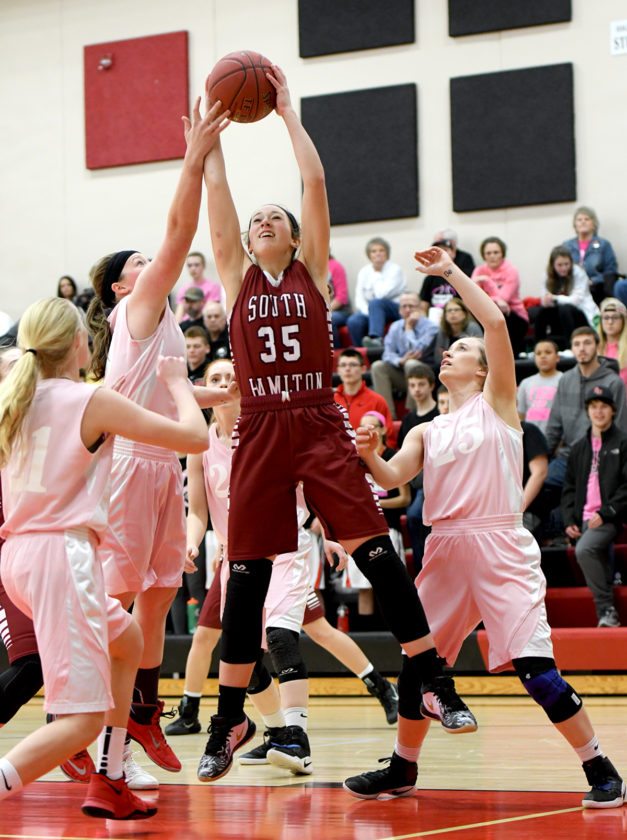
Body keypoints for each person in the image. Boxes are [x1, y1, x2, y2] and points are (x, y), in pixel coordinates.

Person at [199, 65, 475, 782]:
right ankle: (229, 718)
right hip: (261, 427)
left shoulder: (311, 272)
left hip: (319, 421)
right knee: (246, 576)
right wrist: (209, 142)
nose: (264, 221)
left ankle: (434, 678)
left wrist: (287, 113)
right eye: (257, 220)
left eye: (275, 218)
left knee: (376, 553)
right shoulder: (234, 277)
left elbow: (314, 184)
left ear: (295, 239)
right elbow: (217, 200)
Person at [346, 246, 625, 807]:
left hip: (499, 543)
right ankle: (402, 768)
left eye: (461, 349)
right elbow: (393, 476)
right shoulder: (425, 429)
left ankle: (601, 769)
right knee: (418, 664)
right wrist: (370, 453)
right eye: (449, 349)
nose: (450, 352)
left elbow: (494, 322)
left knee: (536, 671)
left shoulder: (498, 403)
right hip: (445, 549)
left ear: (482, 368)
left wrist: (449, 272)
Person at [0, 297, 209, 818]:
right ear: (80, 343)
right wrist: (179, 384)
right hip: (60, 554)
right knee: (82, 721)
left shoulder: (16, 395)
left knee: (129, 640)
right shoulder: (88, 400)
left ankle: (111, 778)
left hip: (22, 555)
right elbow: (194, 437)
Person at [85, 95, 233, 776]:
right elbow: (179, 232)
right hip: (127, 466)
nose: (154, 265)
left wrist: (206, 394)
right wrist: (194, 157)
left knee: (161, 591)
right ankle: (87, 725)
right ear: (122, 288)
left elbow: (160, 386)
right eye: (139, 263)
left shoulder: (162, 328)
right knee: (117, 601)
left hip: (161, 465)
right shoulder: (139, 309)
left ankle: (140, 715)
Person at [165, 361, 399, 768]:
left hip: (284, 545)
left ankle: (298, 736)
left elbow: (308, 484)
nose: (224, 384)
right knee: (244, 656)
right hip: (236, 556)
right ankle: (275, 732)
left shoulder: (265, 430)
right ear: (204, 389)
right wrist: (190, 544)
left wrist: (329, 531)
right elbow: (198, 511)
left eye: (231, 377)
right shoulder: (200, 444)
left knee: (283, 636)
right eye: (215, 379)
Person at [562, 386, 627, 628]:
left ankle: (606, 609)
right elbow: (569, 487)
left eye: (604, 407)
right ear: (587, 411)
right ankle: (611, 590)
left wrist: (606, 512)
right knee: (593, 552)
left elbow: (626, 487)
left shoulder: (623, 442)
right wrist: (569, 520)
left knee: (584, 550)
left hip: (610, 517)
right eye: (593, 407)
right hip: (584, 518)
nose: (598, 411)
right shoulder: (579, 447)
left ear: (613, 411)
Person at [370, 291, 439, 418]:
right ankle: (387, 416)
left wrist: (409, 329)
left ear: (420, 307)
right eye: (404, 306)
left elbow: (416, 351)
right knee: (378, 366)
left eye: (411, 306)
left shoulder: (431, 327)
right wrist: (400, 360)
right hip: (402, 372)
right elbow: (387, 353)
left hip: (425, 375)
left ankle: (411, 414)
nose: (407, 310)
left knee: (411, 364)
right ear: (399, 310)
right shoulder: (395, 326)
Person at [472, 237, 529, 357]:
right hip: (488, 314)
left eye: (496, 252)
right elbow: (472, 295)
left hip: (514, 315)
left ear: (502, 254)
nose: (492, 256)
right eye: (488, 253)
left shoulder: (511, 271)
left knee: (501, 311)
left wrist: (487, 281)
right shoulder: (479, 270)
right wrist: (493, 300)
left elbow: (503, 298)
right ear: (483, 255)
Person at [347, 237, 406, 347]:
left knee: (376, 303)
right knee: (353, 321)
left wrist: (377, 272)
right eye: (373, 251)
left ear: (387, 253)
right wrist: (369, 311)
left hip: (394, 308)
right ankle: (361, 352)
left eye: (381, 250)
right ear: (369, 255)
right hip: (371, 310)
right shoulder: (364, 271)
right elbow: (359, 297)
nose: (378, 254)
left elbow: (381, 294)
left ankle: (376, 339)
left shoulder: (395, 269)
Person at [534, 246, 597, 348]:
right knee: (542, 312)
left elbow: (575, 300)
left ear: (571, 263)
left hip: (580, 312)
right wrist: (545, 301)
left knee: (565, 309)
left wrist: (555, 298)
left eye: (566, 264)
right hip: (559, 313)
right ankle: (539, 347)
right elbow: (545, 298)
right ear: (553, 265)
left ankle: (570, 346)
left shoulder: (578, 273)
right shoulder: (547, 275)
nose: (563, 268)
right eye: (559, 265)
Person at [333, 348, 393, 440]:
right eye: (343, 365)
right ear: (338, 370)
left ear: (363, 369)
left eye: (353, 365)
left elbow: (389, 437)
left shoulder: (377, 400)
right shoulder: (331, 401)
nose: (347, 369)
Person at [563, 206, 618, 304]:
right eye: (579, 220)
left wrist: (593, 281)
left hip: (595, 289)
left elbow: (610, 272)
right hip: (572, 289)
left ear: (594, 224)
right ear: (575, 225)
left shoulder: (604, 245)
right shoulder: (567, 246)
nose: (583, 222)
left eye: (587, 219)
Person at [419, 230, 475, 318]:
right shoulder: (429, 278)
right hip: (436, 317)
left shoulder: (460, 275)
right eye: (436, 252)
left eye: (445, 250)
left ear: (454, 253)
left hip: (458, 315)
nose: (441, 254)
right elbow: (423, 304)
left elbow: (470, 300)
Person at [517, 340, 562, 436]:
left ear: (557, 357)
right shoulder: (526, 383)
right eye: (538, 353)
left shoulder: (564, 380)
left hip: (556, 436)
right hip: (531, 437)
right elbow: (520, 414)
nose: (543, 356)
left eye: (548, 352)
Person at [433, 297, 483, 370]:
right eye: (449, 310)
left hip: (468, 366)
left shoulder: (473, 328)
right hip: (446, 365)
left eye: (456, 310)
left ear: (464, 313)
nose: (452, 313)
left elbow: (480, 353)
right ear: (445, 315)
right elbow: (437, 357)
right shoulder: (442, 330)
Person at [174, 251, 221, 322]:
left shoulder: (213, 287)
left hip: (204, 323)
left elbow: (209, 311)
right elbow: (179, 315)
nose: (193, 268)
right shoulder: (183, 290)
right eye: (190, 265)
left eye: (196, 265)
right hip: (185, 324)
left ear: (203, 266)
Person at [598, 298, 627, 387]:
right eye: (606, 318)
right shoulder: (595, 348)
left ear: (623, 320)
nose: (610, 322)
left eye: (615, 317)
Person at [328, 253, 352, 348]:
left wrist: (323, 312)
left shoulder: (335, 266)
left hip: (340, 311)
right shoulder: (308, 268)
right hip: (319, 312)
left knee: (327, 319)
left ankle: (335, 353)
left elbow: (341, 298)